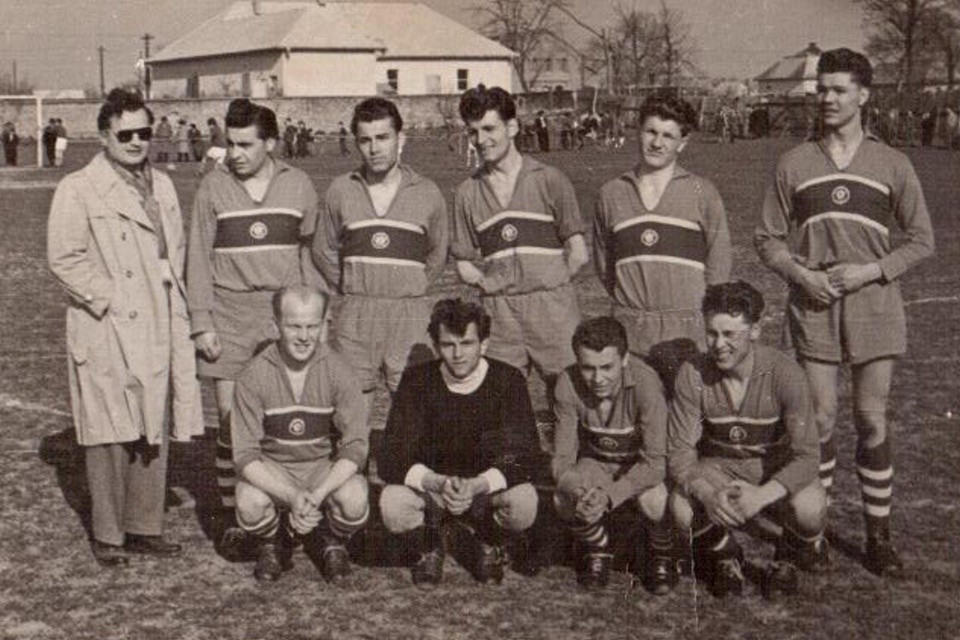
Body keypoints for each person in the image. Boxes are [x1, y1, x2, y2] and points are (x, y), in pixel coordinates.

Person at [755, 48, 935, 578]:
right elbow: (767, 237)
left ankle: (878, 538)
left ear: (863, 94)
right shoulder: (795, 162)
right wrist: (801, 274)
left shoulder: (892, 163)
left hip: (875, 306)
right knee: (821, 421)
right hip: (813, 305)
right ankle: (813, 532)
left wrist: (871, 271)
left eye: (838, 89)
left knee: (870, 419)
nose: (827, 98)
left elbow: (922, 240)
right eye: (822, 89)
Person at [47, 88, 203, 566]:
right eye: (125, 134)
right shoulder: (79, 187)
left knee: (151, 423)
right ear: (103, 136)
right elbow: (64, 258)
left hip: (159, 315)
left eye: (143, 132)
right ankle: (109, 534)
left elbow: (171, 254)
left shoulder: (162, 185)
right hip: (107, 324)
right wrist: (111, 297)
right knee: (109, 431)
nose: (137, 142)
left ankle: (144, 525)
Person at [187, 98, 323, 556]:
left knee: (285, 415)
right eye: (231, 144)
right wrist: (201, 323)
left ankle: (287, 509)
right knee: (231, 423)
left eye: (246, 144)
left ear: (271, 143)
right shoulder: (212, 187)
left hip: (282, 316)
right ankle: (235, 515)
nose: (235, 154)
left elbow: (309, 255)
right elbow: (198, 261)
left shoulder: (299, 184)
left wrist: (313, 316)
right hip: (228, 313)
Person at [668, 281, 827, 598]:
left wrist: (763, 495)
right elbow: (680, 454)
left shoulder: (784, 372)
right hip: (720, 469)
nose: (718, 345)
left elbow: (808, 456)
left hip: (772, 468)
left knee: (810, 508)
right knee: (681, 507)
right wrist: (707, 494)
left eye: (730, 335)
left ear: (755, 330)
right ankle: (727, 556)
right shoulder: (692, 373)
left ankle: (788, 556)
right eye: (712, 333)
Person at [378, 298, 541, 585]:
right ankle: (428, 546)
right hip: (435, 490)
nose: (457, 354)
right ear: (436, 344)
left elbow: (525, 456)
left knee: (524, 501)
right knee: (392, 503)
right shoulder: (417, 380)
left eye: (467, 343)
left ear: (484, 343)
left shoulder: (508, 381)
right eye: (448, 345)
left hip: (484, 491)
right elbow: (390, 456)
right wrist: (436, 482)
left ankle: (489, 541)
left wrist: (480, 484)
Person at [312, 97, 448, 441]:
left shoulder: (428, 192)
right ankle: (352, 491)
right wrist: (351, 286)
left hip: (409, 312)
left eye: (382, 137)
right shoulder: (341, 189)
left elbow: (437, 254)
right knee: (349, 417)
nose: (374, 148)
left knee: (418, 413)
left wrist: (410, 287)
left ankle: (405, 490)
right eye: (365, 139)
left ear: (401, 138)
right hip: (357, 312)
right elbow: (323, 248)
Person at [451, 85, 588, 403]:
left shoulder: (549, 179)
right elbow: (462, 262)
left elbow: (578, 252)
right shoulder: (466, 193)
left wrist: (552, 283)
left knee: (569, 398)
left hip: (552, 307)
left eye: (489, 129)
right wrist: (489, 284)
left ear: (511, 127)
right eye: (473, 132)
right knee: (499, 401)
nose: (481, 140)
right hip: (500, 313)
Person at [232, 286, 369, 583]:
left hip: (322, 471)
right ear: (276, 325)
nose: (304, 336)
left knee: (355, 498)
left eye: (312, 326)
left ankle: (330, 538)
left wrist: (317, 494)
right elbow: (244, 455)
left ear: (324, 325)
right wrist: (293, 496)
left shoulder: (341, 371)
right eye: (294, 326)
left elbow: (356, 447)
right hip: (277, 471)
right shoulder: (253, 376)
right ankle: (273, 540)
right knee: (249, 503)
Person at [593, 94, 731, 390]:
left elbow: (719, 268)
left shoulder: (702, 192)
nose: (657, 143)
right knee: (638, 422)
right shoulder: (611, 193)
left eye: (668, 136)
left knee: (687, 422)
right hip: (631, 328)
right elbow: (606, 265)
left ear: (683, 142)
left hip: (686, 330)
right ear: (637, 131)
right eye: (651, 131)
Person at [551, 317, 674, 593]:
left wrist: (610, 496)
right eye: (588, 368)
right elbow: (561, 460)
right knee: (563, 499)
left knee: (655, 500)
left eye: (607, 367)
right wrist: (581, 491)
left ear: (625, 358)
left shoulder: (646, 384)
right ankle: (598, 547)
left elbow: (655, 463)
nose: (597, 378)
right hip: (597, 463)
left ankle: (661, 552)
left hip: (638, 465)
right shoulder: (566, 384)